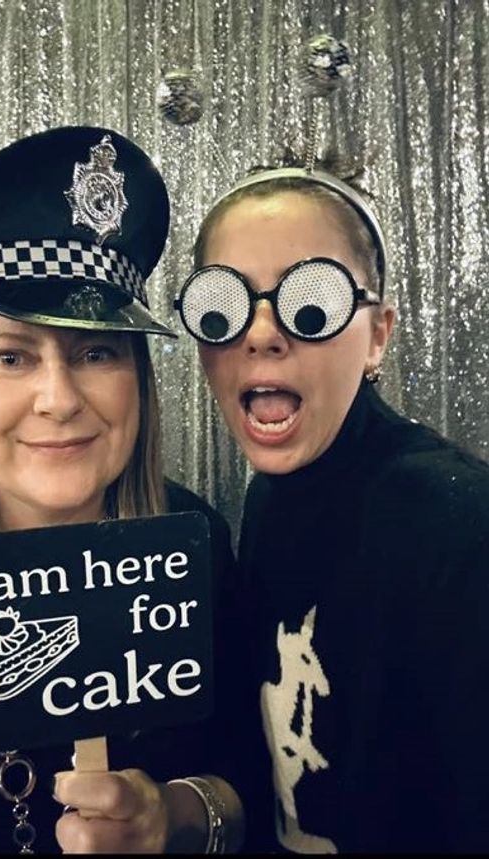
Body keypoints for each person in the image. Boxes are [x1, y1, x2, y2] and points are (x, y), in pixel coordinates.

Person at [0, 126, 244, 853]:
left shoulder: (195, 538)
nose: (59, 398)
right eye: (12, 355)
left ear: (138, 379)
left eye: (96, 351)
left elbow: (249, 793)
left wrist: (168, 813)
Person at [175, 161, 489, 853]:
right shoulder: (266, 500)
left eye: (309, 300)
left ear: (378, 334)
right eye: (222, 305)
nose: (260, 333)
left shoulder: (459, 528)